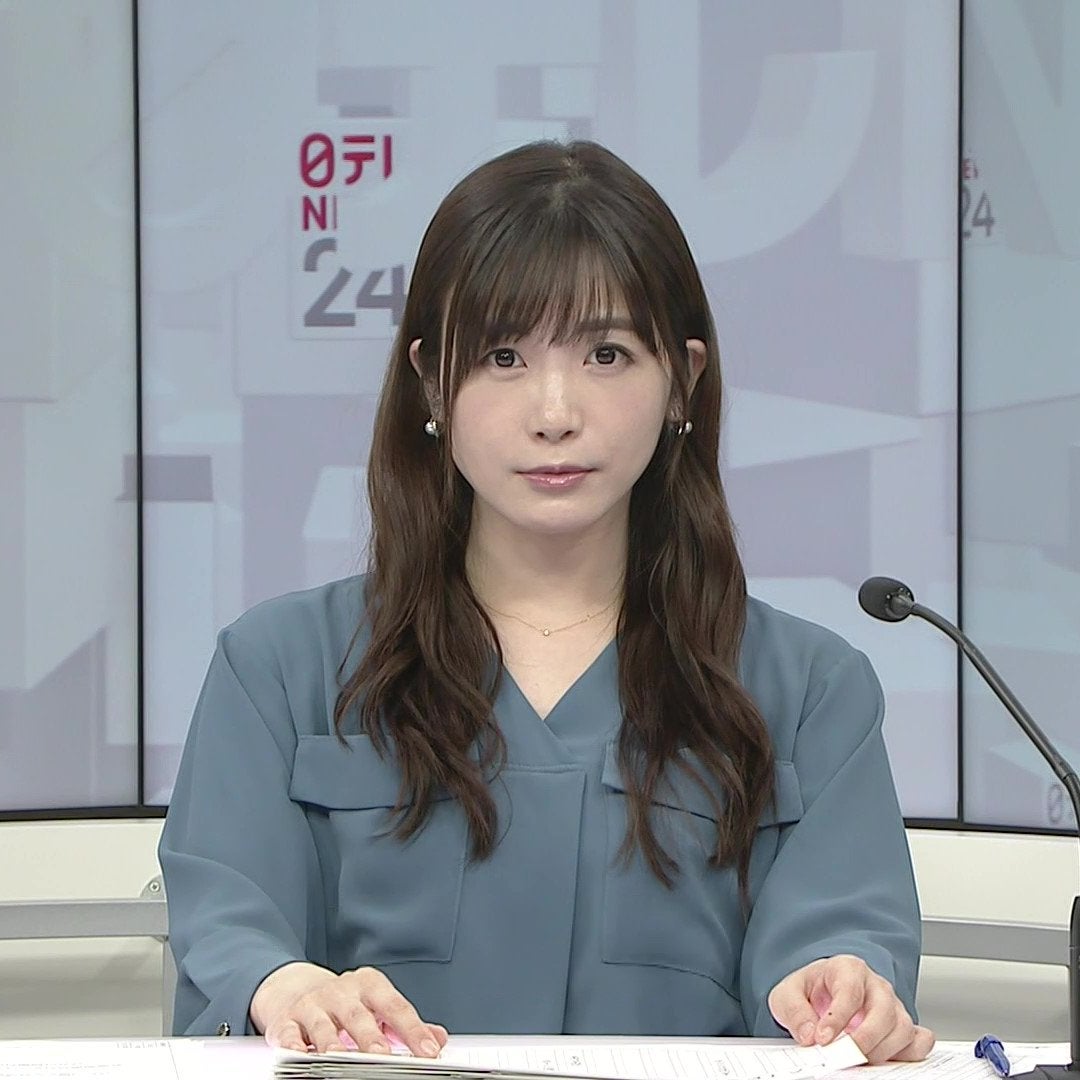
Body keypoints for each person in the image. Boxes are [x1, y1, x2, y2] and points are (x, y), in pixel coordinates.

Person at [158, 140, 934, 1064]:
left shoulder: (809, 690)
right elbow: (232, 927)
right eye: (503, 356)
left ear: (682, 380)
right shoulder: (278, 668)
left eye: (607, 353)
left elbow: (838, 937)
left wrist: (842, 990)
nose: (555, 412)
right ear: (431, 382)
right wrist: (285, 989)